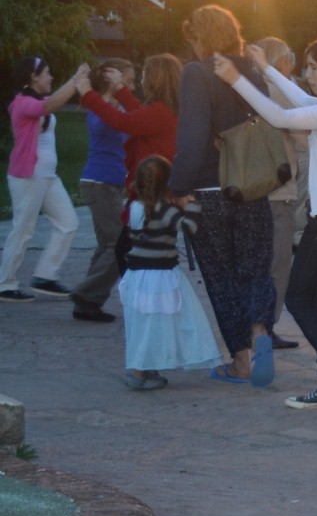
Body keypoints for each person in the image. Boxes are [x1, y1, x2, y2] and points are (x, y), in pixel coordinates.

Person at [216, 36, 317, 415]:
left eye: (315, 67)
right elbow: (299, 103)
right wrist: (267, 70)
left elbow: (282, 117)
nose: (308, 74)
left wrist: (237, 79)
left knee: (300, 299)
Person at [170, 4, 278, 387]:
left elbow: (193, 133)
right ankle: (261, 332)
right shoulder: (250, 69)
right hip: (252, 184)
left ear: (200, 36)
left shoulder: (196, 73)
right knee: (255, 267)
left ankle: (241, 362)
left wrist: (177, 186)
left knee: (220, 276)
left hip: (208, 189)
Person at [117, 155, 222, 389]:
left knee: (144, 323)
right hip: (160, 276)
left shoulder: (135, 208)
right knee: (169, 321)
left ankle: (146, 366)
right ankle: (137, 372)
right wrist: (192, 205)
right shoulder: (165, 210)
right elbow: (190, 228)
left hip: (137, 276)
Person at [2, 56, 88, 302]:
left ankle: (45, 276)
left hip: (48, 177)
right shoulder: (22, 103)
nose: (51, 77)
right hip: (28, 177)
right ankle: (5, 283)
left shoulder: (38, 100)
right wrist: (75, 80)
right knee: (23, 229)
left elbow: (48, 106)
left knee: (68, 222)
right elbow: (48, 107)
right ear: (33, 76)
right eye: (47, 73)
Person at [65, 60, 137, 322]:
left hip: (111, 185)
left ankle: (88, 304)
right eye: (128, 80)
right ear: (112, 79)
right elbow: (103, 126)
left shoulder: (116, 107)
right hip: (99, 184)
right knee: (121, 243)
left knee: (108, 245)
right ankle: (86, 295)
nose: (132, 85)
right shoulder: (98, 106)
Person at [255, 36, 308, 351]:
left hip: (248, 188)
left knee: (255, 261)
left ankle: (252, 324)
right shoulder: (282, 92)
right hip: (279, 189)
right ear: (282, 61)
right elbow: (304, 139)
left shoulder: (248, 89)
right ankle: (265, 327)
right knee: (278, 263)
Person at [76, 53, 182, 200]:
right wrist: (120, 88)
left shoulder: (159, 111)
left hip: (155, 188)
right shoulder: (167, 109)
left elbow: (122, 121)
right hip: (160, 184)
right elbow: (139, 117)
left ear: (154, 80)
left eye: (144, 76)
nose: (141, 82)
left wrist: (88, 94)